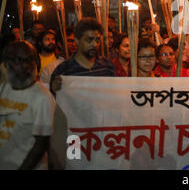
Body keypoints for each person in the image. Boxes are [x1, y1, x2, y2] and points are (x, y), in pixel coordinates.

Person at [0, 41, 56, 169]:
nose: (25, 65)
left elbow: (41, 144)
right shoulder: (3, 89)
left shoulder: (42, 97)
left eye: (29, 59)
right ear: (6, 63)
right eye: (18, 60)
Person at [50, 18, 115, 94]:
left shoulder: (107, 66)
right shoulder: (63, 70)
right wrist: (55, 89)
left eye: (97, 40)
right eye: (89, 40)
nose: (95, 44)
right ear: (77, 41)